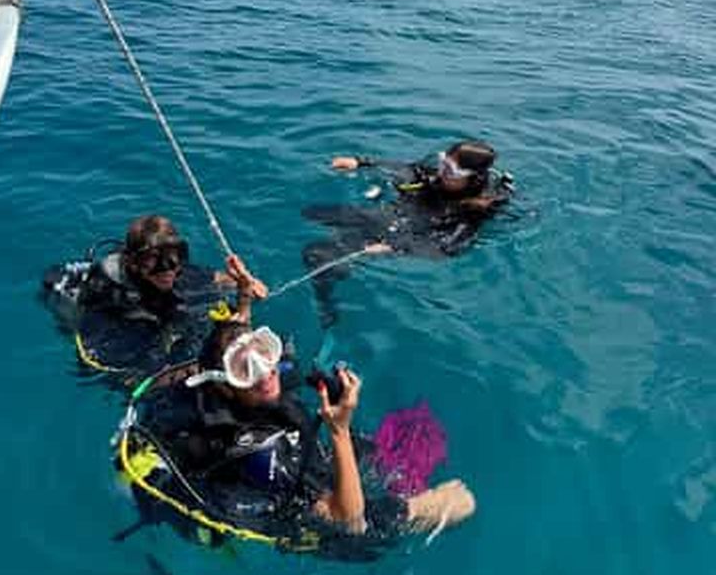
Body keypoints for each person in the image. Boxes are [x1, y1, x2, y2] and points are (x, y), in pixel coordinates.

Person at [125, 268, 475, 554]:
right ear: (224, 385)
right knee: (436, 511)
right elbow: (348, 523)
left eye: (265, 352)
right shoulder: (257, 455)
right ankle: (418, 506)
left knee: (402, 437)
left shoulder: (238, 387)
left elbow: (234, 342)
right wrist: (338, 430)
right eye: (247, 370)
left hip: (289, 448)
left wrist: (243, 299)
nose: (265, 372)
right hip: (309, 516)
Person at [302, 139, 512, 327]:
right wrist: (360, 162)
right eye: (444, 162)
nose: (441, 171)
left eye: (450, 170)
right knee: (313, 213)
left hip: (414, 231)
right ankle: (338, 266)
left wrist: (395, 248)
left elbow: (447, 248)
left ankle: (328, 305)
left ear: (472, 178)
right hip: (399, 211)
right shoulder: (436, 172)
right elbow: (407, 169)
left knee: (317, 253)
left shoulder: (475, 211)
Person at [43, 214, 267, 381]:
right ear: (133, 263)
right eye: (153, 260)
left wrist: (244, 283)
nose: (167, 269)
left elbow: (219, 279)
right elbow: (129, 374)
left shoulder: (173, 270)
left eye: (174, 257)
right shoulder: (115, 301)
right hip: (122, 326)